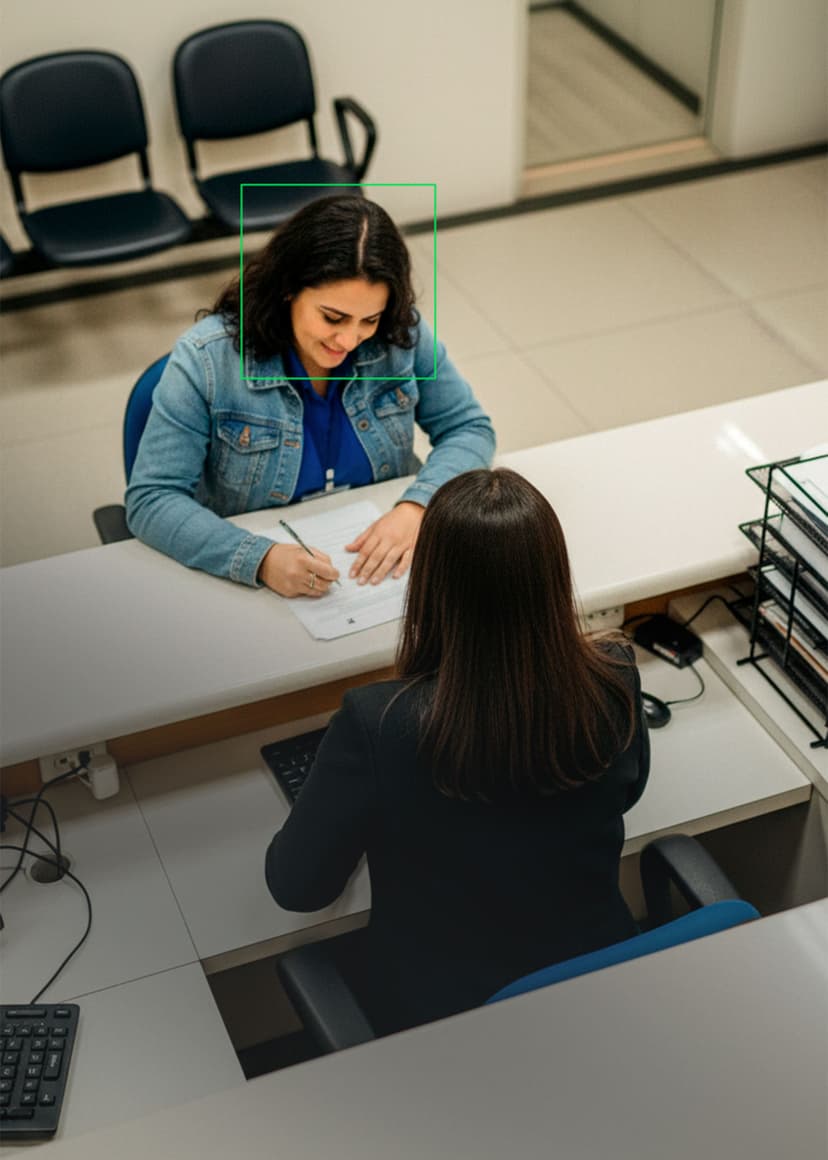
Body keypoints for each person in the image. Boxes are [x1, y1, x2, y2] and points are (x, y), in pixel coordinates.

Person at [265, 468, 651, 1036]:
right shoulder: (614, 675)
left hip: (451, 1029)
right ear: (553, 575)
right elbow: (630, 788)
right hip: (599, 989)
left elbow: (298, 888)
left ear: (430, 585)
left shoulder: (378, 724)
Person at [125, 195, 495, 596]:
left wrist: (418, 506)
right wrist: (260, 559)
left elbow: (469, 428)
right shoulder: (207, 359)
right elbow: (152, 499)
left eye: (368, 320)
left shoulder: (402, 334)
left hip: (386, 568)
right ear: (288, 290)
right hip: (258, 578)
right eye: (332, 318)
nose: (349, 339)